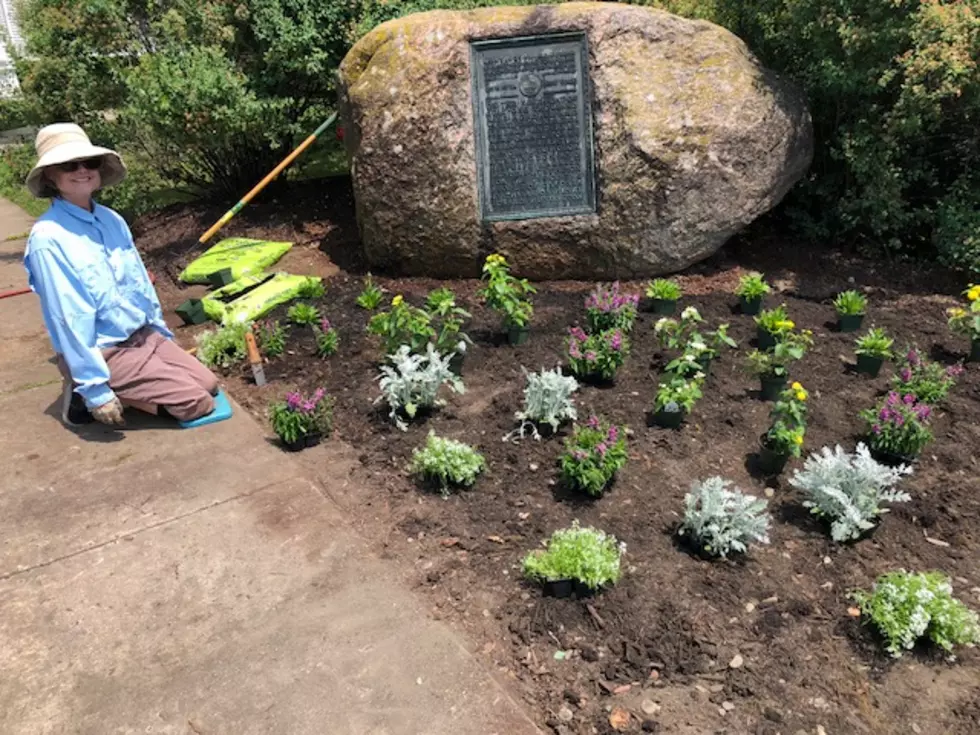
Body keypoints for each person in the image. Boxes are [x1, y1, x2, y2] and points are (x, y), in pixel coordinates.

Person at [23, 123, 219, 427]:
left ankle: (127, 385)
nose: (82, 170)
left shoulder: (111, 220)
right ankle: (82, 392)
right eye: (68, 165)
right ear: (50, 175)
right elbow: (69, 317)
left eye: (89, 162)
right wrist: (95, 389)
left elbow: (139, 283)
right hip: (105, 351)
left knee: (208, 384)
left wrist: (160, 333)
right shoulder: (48, 238)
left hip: (142, 336)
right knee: (197, 403)